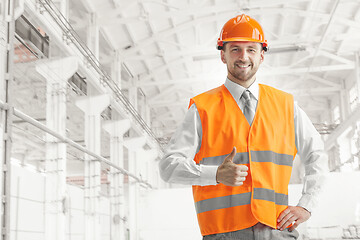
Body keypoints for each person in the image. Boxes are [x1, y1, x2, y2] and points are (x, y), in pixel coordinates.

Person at [159, 14, 328, 240]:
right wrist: (215, 174)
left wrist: (307, 205)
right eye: (235, 49)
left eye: (251, 49)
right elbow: (168, 166)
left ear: (261, 55)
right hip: (223, 233)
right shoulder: (202, 108)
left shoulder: (286, 106)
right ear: (223, 55)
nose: (243, 56)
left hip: (276, 230)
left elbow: (317, 154)